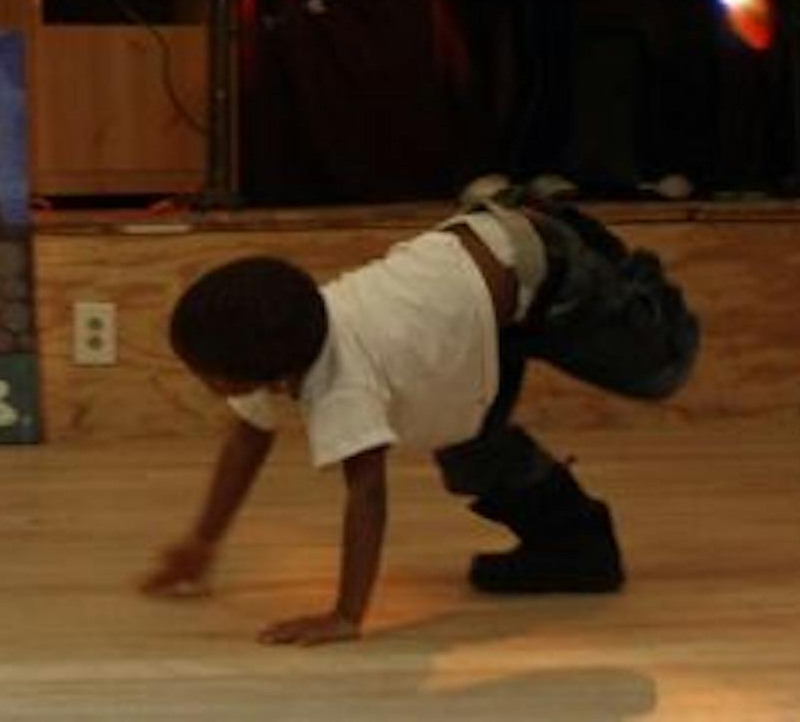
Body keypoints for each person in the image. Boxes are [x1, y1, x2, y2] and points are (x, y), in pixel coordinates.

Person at [138, 194, 699, 645]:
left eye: (205, 373)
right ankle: (577, 549)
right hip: (478, 304)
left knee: (662, 370)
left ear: (259, 369)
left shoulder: (341, 380)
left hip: (542, 264)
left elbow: (367, 496)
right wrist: (202, 541)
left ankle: (626, 273)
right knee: (467, 447)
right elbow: (248, 435)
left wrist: (346, 616)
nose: (202, 380)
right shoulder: (289, 344)